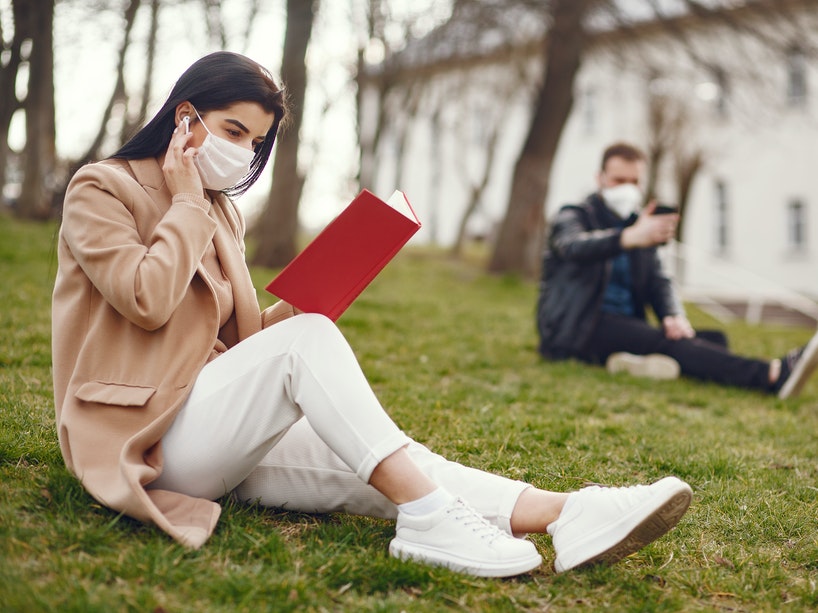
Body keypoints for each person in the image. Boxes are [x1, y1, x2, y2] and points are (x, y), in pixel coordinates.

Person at [53, 53, 694, 578]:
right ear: (186, 119)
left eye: (257, 140)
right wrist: (188, 200)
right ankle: (431, 523)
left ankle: (570, 514)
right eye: (233, 131)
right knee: (313, 349)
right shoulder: (103, 189)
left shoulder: (220, 213)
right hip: (143, 438)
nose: (246, 152)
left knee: (395, 464)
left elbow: (235, 345)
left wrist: (309, 298)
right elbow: (146, 298)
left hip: (209, 419)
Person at [536, 142, 818, 399]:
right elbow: (573, 247)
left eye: (634, 182)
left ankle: (633, 361)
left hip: (625, 325)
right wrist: (628, 237)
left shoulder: (640, 224)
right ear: (600, 179)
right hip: (578, 327)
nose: (627, 189)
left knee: (711, 339)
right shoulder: (573, 215)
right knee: (672, 346)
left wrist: (673, 316)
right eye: (619, 181)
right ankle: (772, 374)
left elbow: (659, 280)